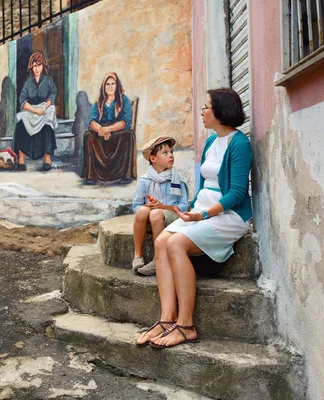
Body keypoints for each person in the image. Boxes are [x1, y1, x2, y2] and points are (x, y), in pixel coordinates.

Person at [135, 88, 252, 349]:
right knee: (163, 239)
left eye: (206, 107)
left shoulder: (240, 144)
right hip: (201, 211)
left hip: (228, 215)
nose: (202, 112)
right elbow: (203, 187)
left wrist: (204, 214)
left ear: (220, 111)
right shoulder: (211, 142)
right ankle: (167, 319)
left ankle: (186, 325)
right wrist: (185, 211)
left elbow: (237, 193)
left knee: (176, 244)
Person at [131, 135, 189, 276]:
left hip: (171, 216)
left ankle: (158, 259)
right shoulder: (145, 181)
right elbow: (136, 205)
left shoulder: (177, 179)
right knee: (142, 212)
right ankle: (137, 255)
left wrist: (162, 207)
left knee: (156, 213)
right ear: (153, 159)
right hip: (151, 218)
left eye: (171, 152)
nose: (170, 155)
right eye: (165, 153)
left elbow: (184, 206)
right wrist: (148, 206)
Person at [80, 72, 136, 184]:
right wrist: (102, 129)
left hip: (117, 131)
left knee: (129, 135)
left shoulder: (123, 100)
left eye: (113, 84)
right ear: (104, 87)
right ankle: (92, 175)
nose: (110, 86)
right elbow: (91, 121)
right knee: (88, 136)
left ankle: (124, 175)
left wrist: (108, 129)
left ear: (117, 86)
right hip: (102, 132)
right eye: (107, 84)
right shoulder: (99, 101)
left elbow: (126, 122)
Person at [13, 51, 58, 171]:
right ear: (31, 67)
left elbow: (52, 95)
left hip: (44, 109)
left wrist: (44, 107)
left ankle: (47, 158)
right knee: (21, 120)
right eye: (34, 66)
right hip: (31, 110)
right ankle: (21, 158)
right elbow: (22, 100)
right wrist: (34, 110)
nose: (37, 69)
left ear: (43, 66)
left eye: (39, 65)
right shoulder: (28, 82)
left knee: (49, 121)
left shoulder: (48, 80)